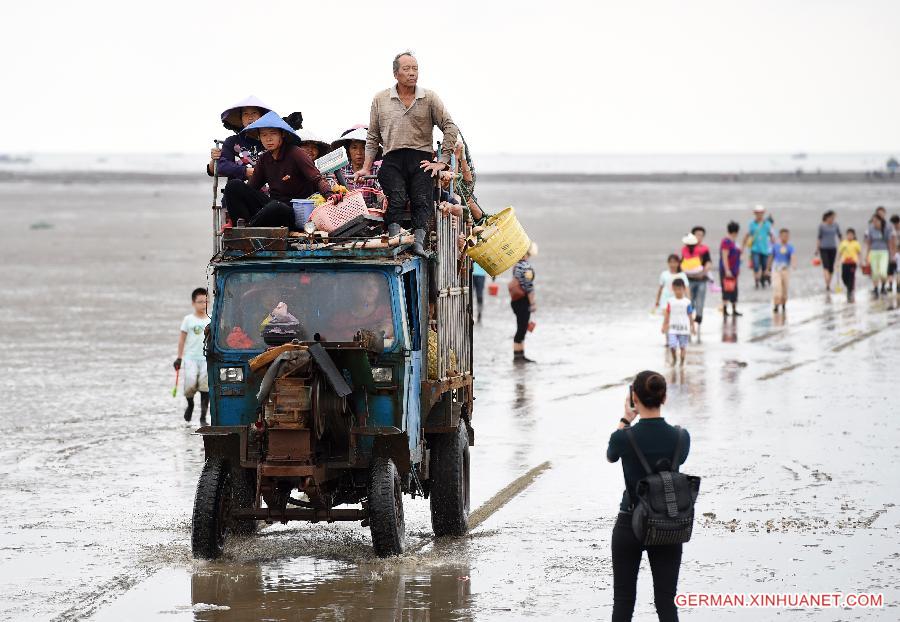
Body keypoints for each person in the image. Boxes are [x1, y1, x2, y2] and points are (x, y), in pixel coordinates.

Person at [355, 51, 459, 257]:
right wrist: (366, 167)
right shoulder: (381, 99)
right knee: (398, 196)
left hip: (421, 159)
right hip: (392, 159)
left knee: (422, 198)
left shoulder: (429, 98)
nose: (412, 73)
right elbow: (373, 136)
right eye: (407, 69)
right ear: (396, 74)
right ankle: (394, 240)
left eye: (415, 69)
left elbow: (450, 127)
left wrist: (442, 162)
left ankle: (418, 244)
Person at [607, 371, 690, 622]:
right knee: (667, 603)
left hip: (630, 520)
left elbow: (611, 455)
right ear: (664, 396)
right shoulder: (681, 437)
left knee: (623, 602)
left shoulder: (623, 436)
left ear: (634, 397)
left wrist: (625, 419)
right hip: (668, 521)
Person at [222, 112, 334, 229]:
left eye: (273, 134)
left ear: (282, 135)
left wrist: (330, 195)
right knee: (233, 186)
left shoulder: (296, 153)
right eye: (264, 135)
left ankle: (249, 228)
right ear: (260, 137)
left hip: (294, 212)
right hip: (272, 208)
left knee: (276, 207)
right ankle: (242, 225)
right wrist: (233, 213)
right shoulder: (264, 159)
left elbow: (317, 178)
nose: (268, 139)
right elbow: (251, 188)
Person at [207, 96, 270, 182]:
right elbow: (221, 166)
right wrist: (245, 171)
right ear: (241, 119)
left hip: (266, 192)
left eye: (254, 113)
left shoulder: (271, 140)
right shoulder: (232, 141)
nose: (250, 117)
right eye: (245, 114)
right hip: (237, 190)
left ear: (262, 117)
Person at [174, 288, 211, 423]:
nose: (203, 304)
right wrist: (179, 358)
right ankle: (190, 405)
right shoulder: (188, 320)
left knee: (205, 387)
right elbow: (182, 339)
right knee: (189, 385)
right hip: (190, 358)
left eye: (206, 301)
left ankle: (203, 416)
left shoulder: (212, 318)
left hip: (206, 358)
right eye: (200, 302)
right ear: (193, 303)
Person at [510, 243, 538, 364]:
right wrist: (532, 303)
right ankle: (518, 356)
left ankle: (520, 354)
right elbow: (529, 287)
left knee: (520, 326)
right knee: (522, 328)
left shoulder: (516, 266)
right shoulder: (527, 268)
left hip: (515, 301)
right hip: (523, 300)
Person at [679, 229, 711, 328]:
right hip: (689, 280)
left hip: (701, 279)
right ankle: (690, 320)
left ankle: (698, 318)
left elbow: (708, 263)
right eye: (697, 235)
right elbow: (682, 264)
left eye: (701, 235)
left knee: (700, 300)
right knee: (690, 300)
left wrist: (702, 273)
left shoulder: (704, 249)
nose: (699, 237)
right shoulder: (684, 250)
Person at [662, 279, 695, 366]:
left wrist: (693, 327)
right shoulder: (670, 301)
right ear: (673, 289)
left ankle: (682, 361)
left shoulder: (687, 302)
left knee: (683, 346)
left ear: (684, 289)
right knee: (672, 345)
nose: (678, 291)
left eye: (680, 289)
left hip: (684, 328)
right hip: (673, 327)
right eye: (676, 289)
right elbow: (667, 313)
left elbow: (690, 315)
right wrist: (664, 325)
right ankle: (674, 358)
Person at [864, 212, 897, 298]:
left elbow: (890, 242)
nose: (874, 223)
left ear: (880, 221)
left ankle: (883, 286)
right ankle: (875, 288)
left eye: (876, 221)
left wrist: (892, 255)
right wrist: (866, 255)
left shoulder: (886, 229)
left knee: (883, 272)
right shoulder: (870, 229)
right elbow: (868, 243)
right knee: (874, 272)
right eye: (873, 221)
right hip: (873, 252)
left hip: (884, 252)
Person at [743, 205, 774, 289]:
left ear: (763, 213)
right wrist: (743, 246)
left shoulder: (767, 224)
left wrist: (774, 246)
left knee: (764, 266)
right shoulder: (752, 224)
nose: (759, 215)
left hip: (765, 249)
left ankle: (763, 280)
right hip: (755, 249)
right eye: (757, 213)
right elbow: (748, 235)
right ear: (755, 213)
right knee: (756, 266)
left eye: (761, 213)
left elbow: (771, 235)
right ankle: (756, 280)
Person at [814, 210, 842, 292]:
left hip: (833, 247)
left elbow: (840, 236)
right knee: (825, 266)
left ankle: (828, 284)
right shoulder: (822, 226)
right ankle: (827, 284)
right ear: (827, 217)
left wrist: (844, 245)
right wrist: (817, 249)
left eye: (834, 217)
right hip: (823, 248)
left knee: (831, 268)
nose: (833, 219)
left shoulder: (836, 225)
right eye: (831, 217)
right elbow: (819, 238)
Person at [770, 228, 796, 313]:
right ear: (780, 236)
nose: (785, 237)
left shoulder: (790, 247)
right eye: (784, 236)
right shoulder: (775, 246)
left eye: (787, 236)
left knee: (785, 288)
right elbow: (771, 257)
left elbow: (793, 256)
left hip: (785, 270)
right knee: (777, 287)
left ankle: (783, 305)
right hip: (776, 270)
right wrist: (767, 268)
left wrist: (793, 264)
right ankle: (776, 305)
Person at [720, 221, 742, 317]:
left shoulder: (734, 242)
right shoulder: (726, 241)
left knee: (734, 289)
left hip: (734, 269)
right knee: (727, 289)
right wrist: (727, 269)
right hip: (727, 269)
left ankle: (734, 309)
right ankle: (725, 309)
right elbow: (724, 256)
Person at [838, 228, 862, 303]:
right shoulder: (843, 243)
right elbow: (840, 253)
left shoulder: (856, 243)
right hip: (845, 262)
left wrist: (860, 261)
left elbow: (859, 253)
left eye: (851, 235)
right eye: (848, 235)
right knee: (844, 276)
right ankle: (849, 287)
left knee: (851, 277)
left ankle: (850, 290)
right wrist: (837, 262)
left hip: (853, 263)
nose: (850, 236)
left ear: (854, 235)